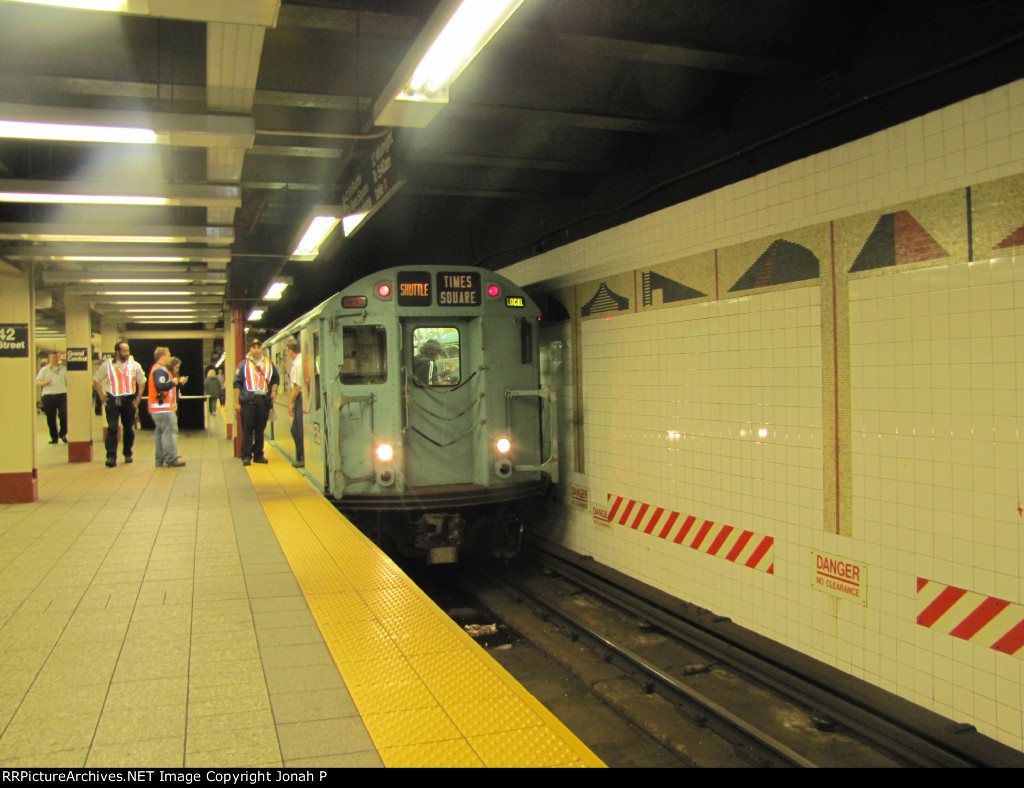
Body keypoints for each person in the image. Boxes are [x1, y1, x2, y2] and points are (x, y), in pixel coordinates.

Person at [93, 341, 146, 468]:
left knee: (128, 428)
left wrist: (139, 397)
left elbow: (142, 380)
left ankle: (127, 453)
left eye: (128, 350)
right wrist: (101, 395)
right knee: (112, 428)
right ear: (117, 352)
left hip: (129, 400)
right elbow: (96, 380)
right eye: (124, 351)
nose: (127, 353)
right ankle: (111, 456)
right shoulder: (107, 365)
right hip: (112, 400)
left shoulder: (134, 365)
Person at [233, 337, 279, 466]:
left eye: (259, 347)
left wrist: (274, 391)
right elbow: (236, 384)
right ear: (250, 349)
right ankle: (246, 456)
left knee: (260, 429)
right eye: (254, 347)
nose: (257, 350)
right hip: (248, 401)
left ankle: (259, 455)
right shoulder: (243, 365)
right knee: (248, 429)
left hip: (263, 401)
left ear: (261, 348)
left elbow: (275, 378)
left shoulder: (269, 363)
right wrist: (236, 402)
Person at [148, 347, 187, 467]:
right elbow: (160, 385)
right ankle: (170, 459)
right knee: (169, 433)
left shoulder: (158, 369)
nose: (170, 358)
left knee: (160, 434)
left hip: (157, 408)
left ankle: (159, 459)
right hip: (163, 408)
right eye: (169, 356)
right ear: (163, 356)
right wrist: (173, 382)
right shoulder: (160, 371)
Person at [35, 352, 68, 444]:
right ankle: (54, 438)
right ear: (49, 359)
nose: (55, 359)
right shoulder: (44, 370)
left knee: (63, 415)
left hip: (61, 394)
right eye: (53, 357)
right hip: (48, 396)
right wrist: (45, 383)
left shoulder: (64, 369)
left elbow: (68, 382)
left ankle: (63, 433)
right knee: (50, 417)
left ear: (59, 359)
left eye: (56, 357)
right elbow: (37, 382)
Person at [285, 338, 305, 468]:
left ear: (290, 350)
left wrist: (291, 403)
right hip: (301, 398)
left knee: (297, 430)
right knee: (296, 429)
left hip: (300, 399)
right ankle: (301, 456)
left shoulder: (298, 363)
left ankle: (303, 458)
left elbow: (298, 386)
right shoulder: (301, 361)